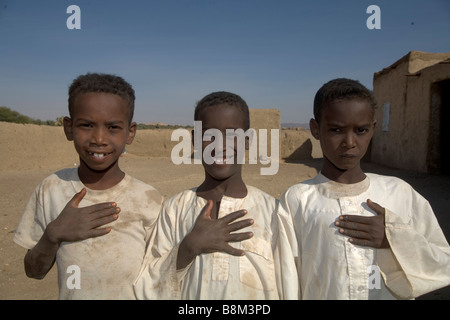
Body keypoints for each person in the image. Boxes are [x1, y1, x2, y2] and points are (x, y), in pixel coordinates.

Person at [279, 77, 450, 299]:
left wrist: (395, 239)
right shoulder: (297, 200)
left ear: (373, 129)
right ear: (315, 129)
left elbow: (442, 262)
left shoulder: (400, 193)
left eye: (360, 130)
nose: (349, 142)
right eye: (336, 130)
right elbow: (286, 279)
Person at [133, 91, 298, 299]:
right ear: (195, 140)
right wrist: (188, 248)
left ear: (248, 140)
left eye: (232, 135)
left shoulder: (273, 212)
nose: (219, 146)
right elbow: (147, 286)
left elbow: (289, 287)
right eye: (209, 136)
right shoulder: (175, 210)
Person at [13, 73, 163, 299]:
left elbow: (161, 276)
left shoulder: (149, 199)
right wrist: (53, 235)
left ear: (130, 132)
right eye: (86, 125)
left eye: (113, 127)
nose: (99, 139)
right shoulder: (51, 189)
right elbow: (33, 271)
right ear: (69, 127)